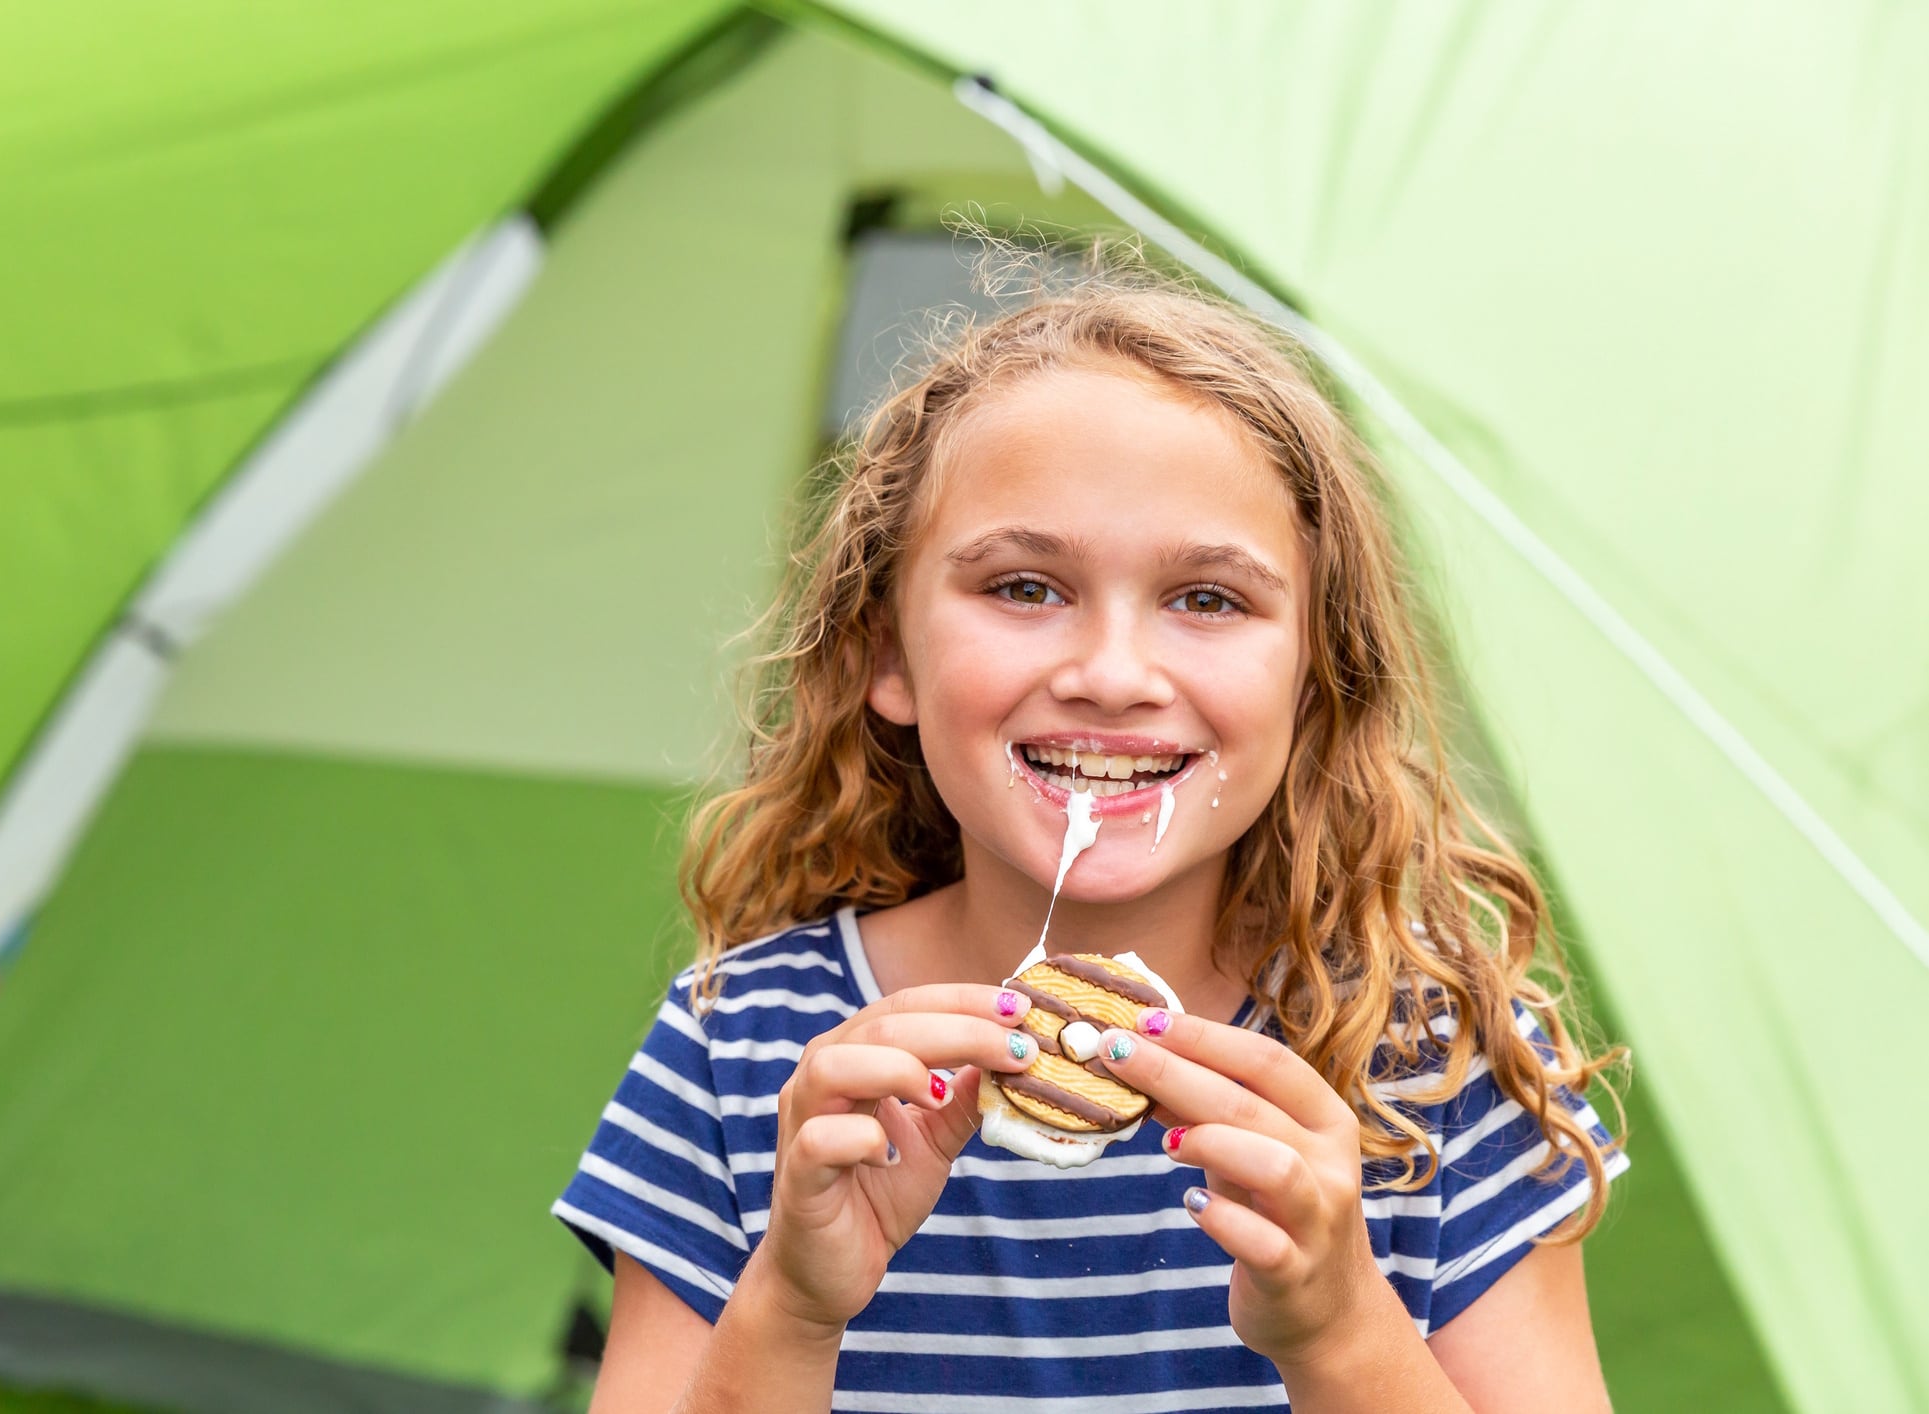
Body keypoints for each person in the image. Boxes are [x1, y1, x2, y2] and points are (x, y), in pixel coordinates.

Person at [554, 246, 1629, 1412]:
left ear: (1318, 674)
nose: (1113, 675)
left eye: (1207, 599)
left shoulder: (1438, 1061)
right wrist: (793, 1305)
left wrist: (1339, 1329)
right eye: (1024, 587)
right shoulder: (741, 1057)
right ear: (882, 651)